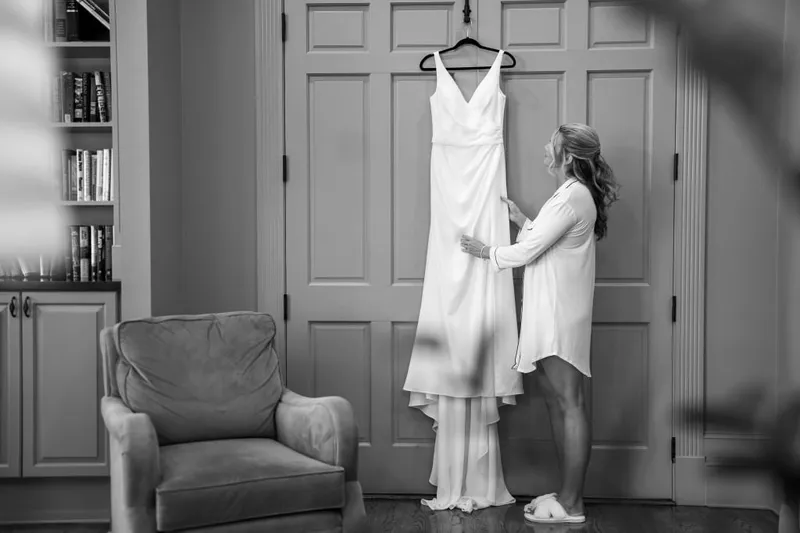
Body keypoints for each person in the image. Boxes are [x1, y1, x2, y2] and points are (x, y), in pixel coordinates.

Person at [460, 123, 619, 524]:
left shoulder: (573, 197)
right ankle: (567, 495)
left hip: (559, 314)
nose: (545, 148)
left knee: (570, 403)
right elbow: (549, 244)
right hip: (552, 310)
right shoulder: (570, 196)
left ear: (568, 156)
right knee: (558, 402)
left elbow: (530, 252)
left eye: (553, 144)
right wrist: (523, 220)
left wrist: (486, 251)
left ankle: (573, 504)